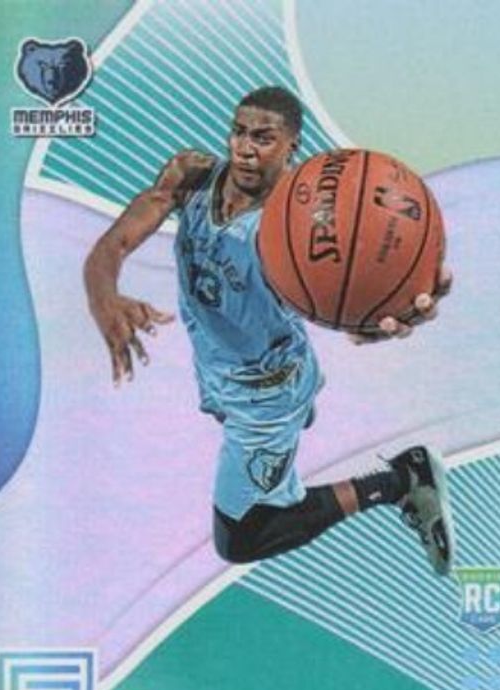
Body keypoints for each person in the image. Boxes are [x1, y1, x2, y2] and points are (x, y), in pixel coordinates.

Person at [84, 86, 455, 575]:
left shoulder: (297, 226)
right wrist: (104, 298)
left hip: (268, 391)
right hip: (220, 370)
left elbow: (347, 303)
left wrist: (386, 314)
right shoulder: (192, 175)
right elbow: (114, 244)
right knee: (254, 492)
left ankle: (401, 481)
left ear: (290, 148)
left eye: (262, 138)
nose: (244, 147)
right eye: (238, 132)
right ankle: (390, 477)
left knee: (243, 536)